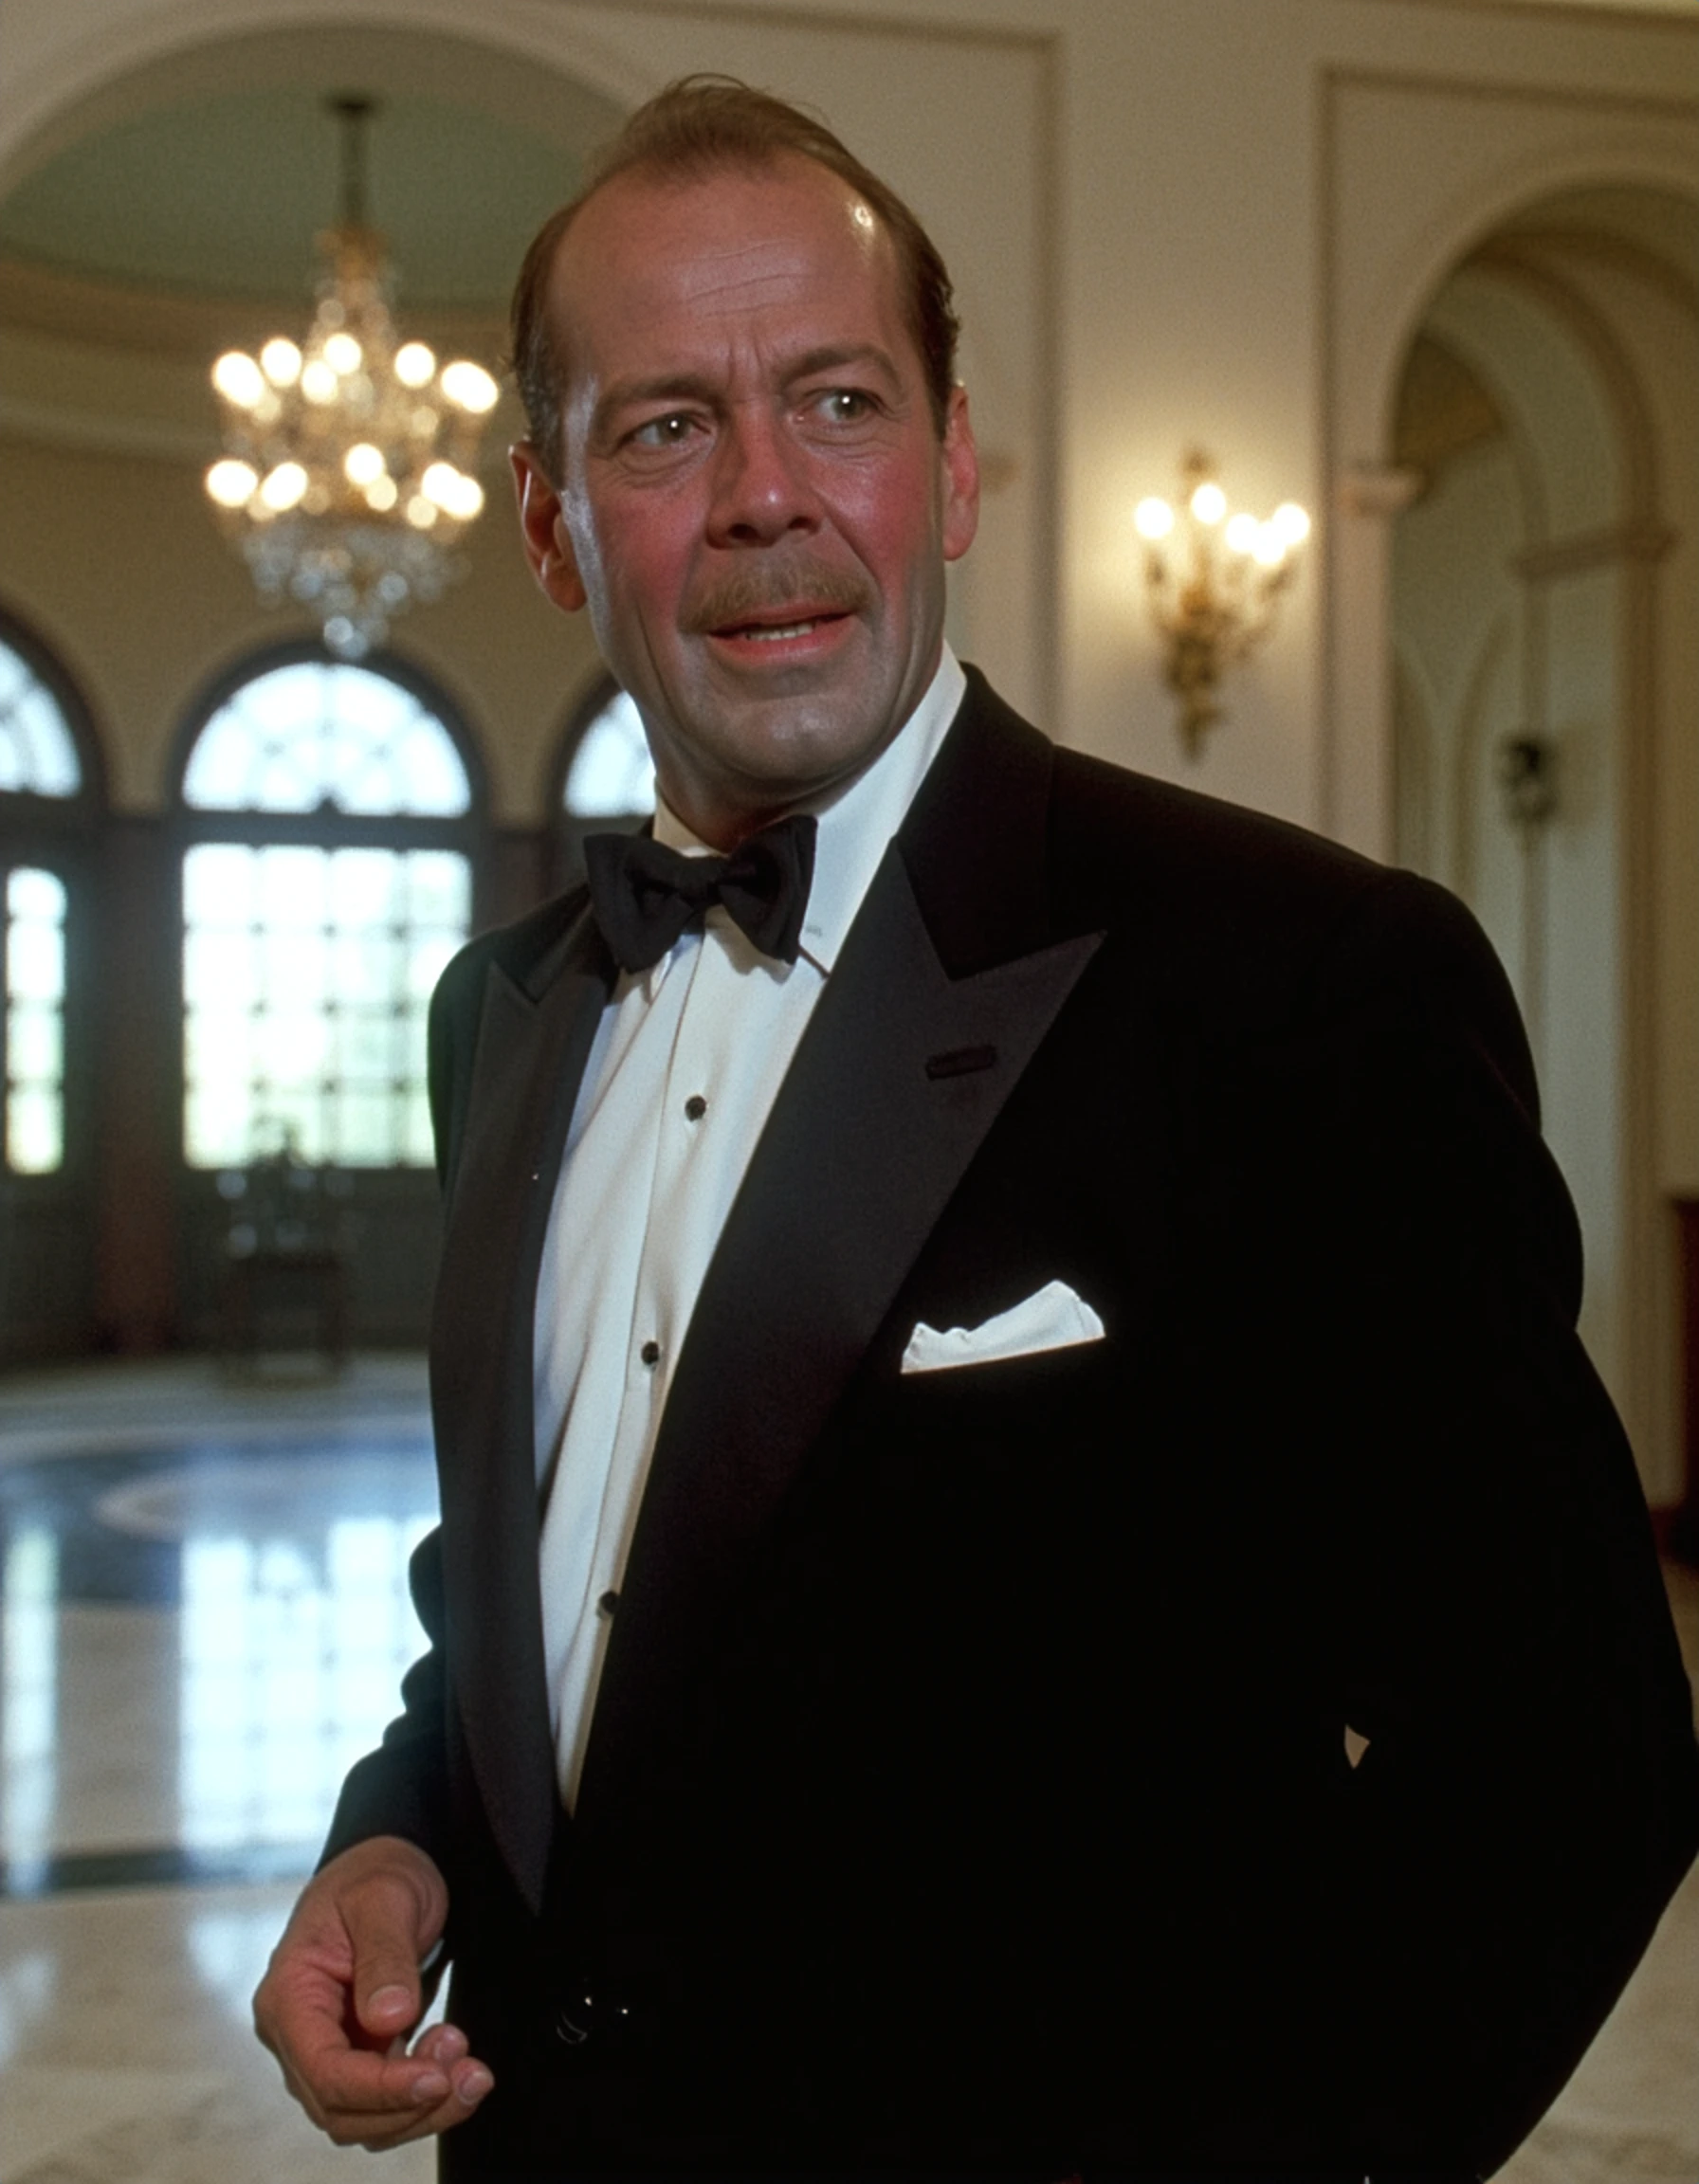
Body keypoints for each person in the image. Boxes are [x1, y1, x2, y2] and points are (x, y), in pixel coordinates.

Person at [254, 77, 1699, 2183]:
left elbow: (1566, 1755)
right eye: (665, 426)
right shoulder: (501, 1015)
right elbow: (542, 1600)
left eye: (833, 402)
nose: (765, 495)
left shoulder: (1293, 983)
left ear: (951, 466)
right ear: (551, 516)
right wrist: (394, 1840)